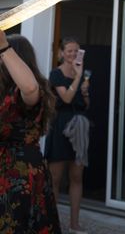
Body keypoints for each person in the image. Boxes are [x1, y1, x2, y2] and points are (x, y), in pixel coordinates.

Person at [0, 30, 61, 233]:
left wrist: (4, 47)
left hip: (20, 173)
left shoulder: (28, 92)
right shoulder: (4, 92)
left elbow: (29, 88)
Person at [45, 37, 90, 234]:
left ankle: (74, 224)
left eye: (76, 51)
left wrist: (86, 94)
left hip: (78, 128)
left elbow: (84, 105)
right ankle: (53, 225)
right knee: (55, 179)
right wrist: (78, 78)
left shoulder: (83, 75)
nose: (73, 54)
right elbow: (66, 98)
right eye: (69, 51)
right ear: (62, 53)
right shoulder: (55, 74)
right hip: (60, 128)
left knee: (76, 176)